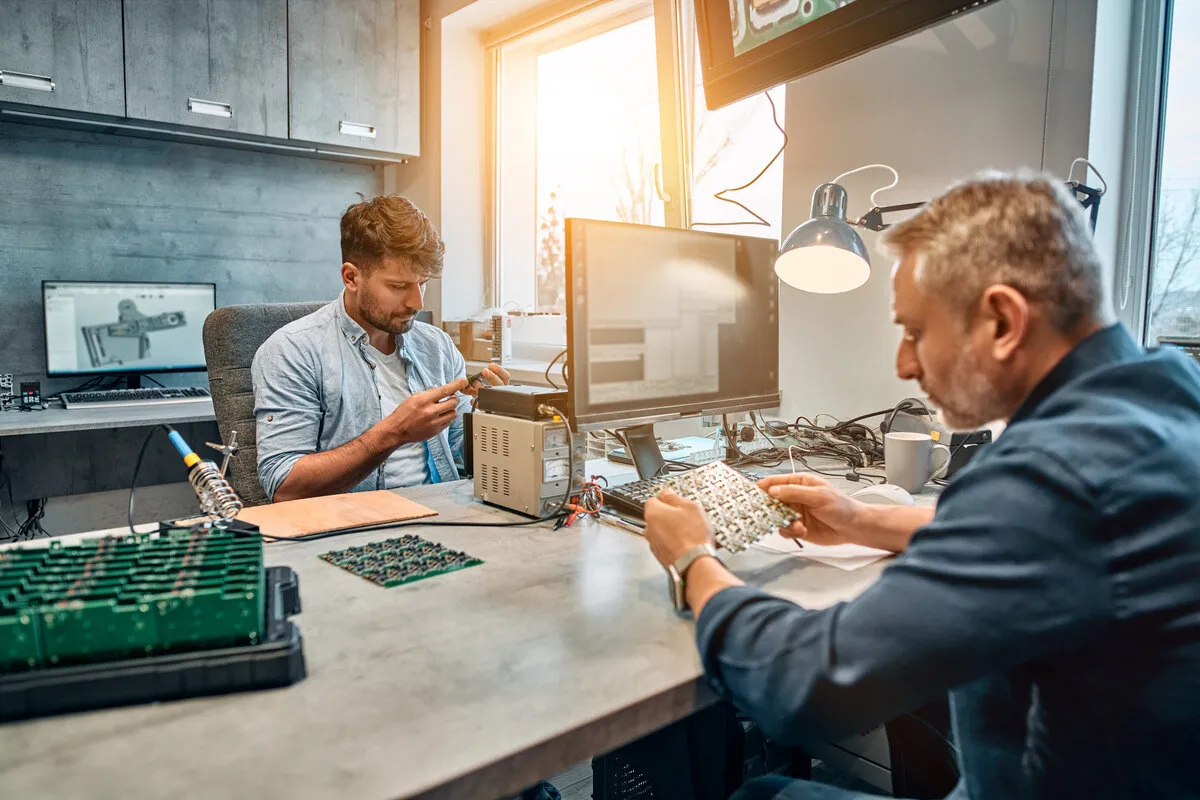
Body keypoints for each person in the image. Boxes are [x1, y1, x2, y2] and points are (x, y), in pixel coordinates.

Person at [640, 173, 1200, 799]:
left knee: (761, 797)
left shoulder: (1056, 474)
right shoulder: (1170, 391)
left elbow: (808, 684)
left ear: (1001, 321)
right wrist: (860, 519)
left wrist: (695, 561)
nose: (905, 364)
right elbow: (1056, 541)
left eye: (914, 332)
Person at [252, 195, 509, 502]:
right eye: (399, 286)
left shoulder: (436, 347)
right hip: (352, 530)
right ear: (351, 277)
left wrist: (496, 417)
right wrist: (394, 432)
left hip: (445, 515)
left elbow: (466, 456)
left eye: (423, 283)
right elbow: (285, 487)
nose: (417, 302)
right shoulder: (292, 351)